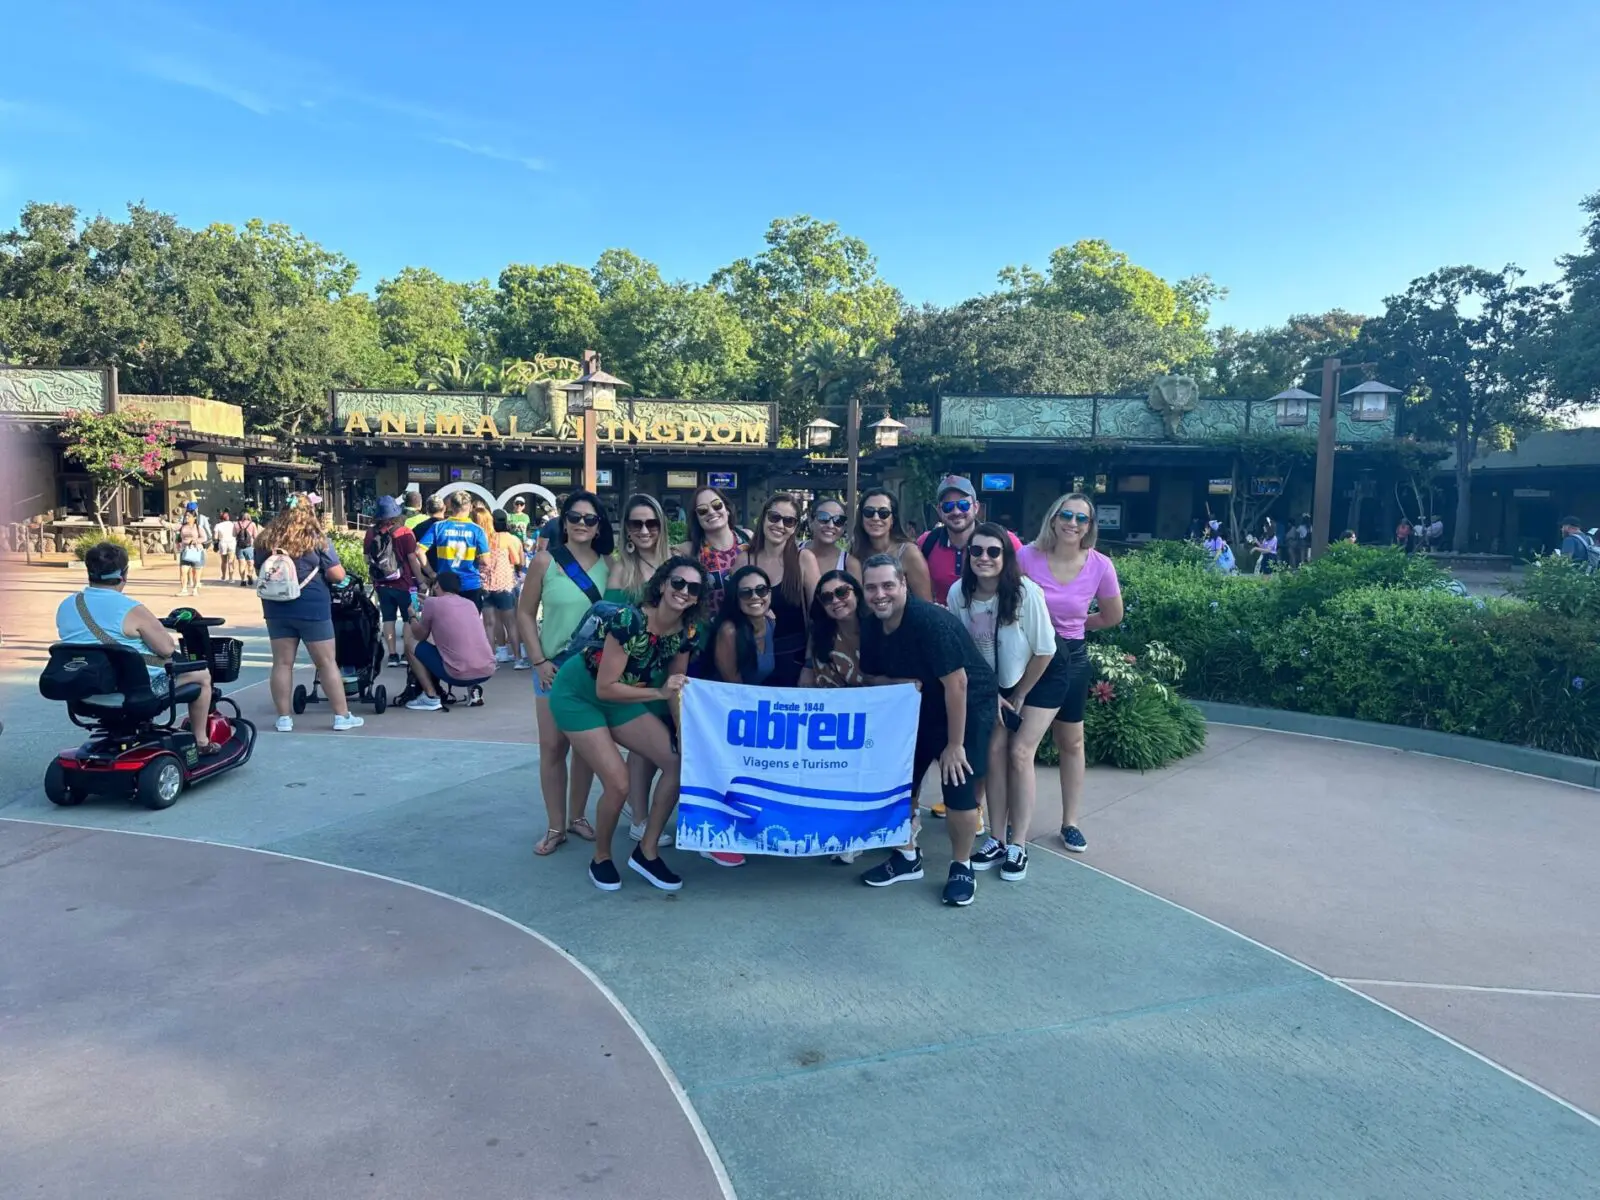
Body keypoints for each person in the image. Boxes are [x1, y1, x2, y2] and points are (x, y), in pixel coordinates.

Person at [549, 556, 709, 893]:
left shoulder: (687, 631)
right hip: (580, 695)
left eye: (693, 588)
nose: (684, 591)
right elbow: (604, 687)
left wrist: (681, 730)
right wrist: (658, 691)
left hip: (624, 697)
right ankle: (602, 856)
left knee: (678, 763)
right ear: (663, 584)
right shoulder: (630, 620)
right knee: (619, 784)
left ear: (698, 597)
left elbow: (675, 685)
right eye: (678, 583)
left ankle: (646, 851)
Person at [856, 554, 998, 906]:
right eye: (871, 587)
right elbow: (872, 676)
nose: (880, 594)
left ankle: (962, 866)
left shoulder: (929, 621)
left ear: (903, 584)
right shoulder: (872, 624)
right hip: (916, 710)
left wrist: (955, 743)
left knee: (958, 789)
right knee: (898, 784)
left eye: (888, 585)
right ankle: (906, 857)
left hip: (965, 706)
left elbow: (958, 684)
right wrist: (898, 681)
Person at [946, 523, 1062, 881]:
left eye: (993, 551)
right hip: (995, 684)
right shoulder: (958, 594)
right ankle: (996, 837)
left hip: (1040, 675)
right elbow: (959, 649)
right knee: (994, 752)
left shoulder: (1026, 593)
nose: (984, 558)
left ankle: (1019, 843)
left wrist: (1020, 695)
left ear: (1006, 557)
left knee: (1019, 752)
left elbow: (1045, 651)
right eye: (976, 551)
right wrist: (995, 694)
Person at [1018, 493, 1123, 854]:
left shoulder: (1100, 565)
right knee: (1016, 744)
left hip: (1073, 658)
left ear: (1090, 526)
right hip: (1029, 659)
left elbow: (1112, 617)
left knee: (1072, 742)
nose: (1073, 523)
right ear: (1053, 517)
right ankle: (1008, 827)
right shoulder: (1026, 557)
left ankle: (1070, 822)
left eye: (1082, 519)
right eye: (1066, 515)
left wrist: (1076, 625)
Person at [516, 491, 612, 857]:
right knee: (553, 748)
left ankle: (577, 816)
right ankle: (555, 825)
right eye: (575, 516)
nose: (582, 524)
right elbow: (524, 613)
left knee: (586, 750)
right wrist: (538, 661)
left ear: (599, 524)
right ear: (564, 520)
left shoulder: (611, 565)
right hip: (552, 668)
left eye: (590, 518)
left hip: (594, 671)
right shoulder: (545, 562)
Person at [56, 540, 218, 753]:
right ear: (124, 573)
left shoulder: (68, 605)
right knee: (202, 674)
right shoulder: (130, 609)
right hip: (134, 691)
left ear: (89, 571)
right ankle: (201, 741)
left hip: (85, 690)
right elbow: (167, 649)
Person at [257, 502, 365, 732]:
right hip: (312, 607)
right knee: (326, 662)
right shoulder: (316, 539)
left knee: (282, 663)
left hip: (275, 607)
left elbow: (258, 567)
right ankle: (341, 716)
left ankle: (283, 718)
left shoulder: (266, 538)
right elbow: (337, 574)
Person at [607, 493, 674, 846]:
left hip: (673, 666)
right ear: (627, 531)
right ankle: (640, 816)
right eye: (637, 524)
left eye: (651, 522)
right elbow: (613, 623)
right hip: (637, 671)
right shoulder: (622, 569)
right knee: (644, 746)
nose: (645, 530)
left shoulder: (678, 560)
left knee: (664, 742)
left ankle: (643, 811)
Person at [741, 492, 816, 687]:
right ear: (764, 517)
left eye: (788, 521)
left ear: (795, 527)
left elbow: (819, 616)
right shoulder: (744, 560)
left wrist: (809, 665)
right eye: (774, 517)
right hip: (752, 657)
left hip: (794, 659)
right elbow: (732, 613)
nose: (780, 525)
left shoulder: (804, 559)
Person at [918, 475, 1019, 606]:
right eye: (948, 507)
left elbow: (1026, 580)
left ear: (976, 507)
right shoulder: (926, 542)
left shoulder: (1003, 540)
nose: (956, 511)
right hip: (943, 621)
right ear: (939, 510)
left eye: (963, 505)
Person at [403, 570, 497, 711]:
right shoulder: (469, 604)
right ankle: (474, 691)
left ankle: (430, 696)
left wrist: (412, 617)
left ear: (437, 586)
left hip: (457, 675)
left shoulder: (433, 604)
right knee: (466, 641)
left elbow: (419, 635)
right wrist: (428, 601)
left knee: (410, 645)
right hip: (487, 670)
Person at [364, 496, 424, 667]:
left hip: (382, 584)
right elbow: (412, 559)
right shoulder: (405, 532)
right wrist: (421, 581)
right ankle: (406, 654)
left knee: (388, 618)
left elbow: (367, 559)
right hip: (405, 583)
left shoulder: (371, 532)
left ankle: (391, 655)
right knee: (408, 617)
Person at [847, 489, 932, 603]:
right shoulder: (855, 552)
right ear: (861, 518)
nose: (876, 518)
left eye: (883, 513)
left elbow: (926, 605)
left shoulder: (909, 554)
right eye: (869, 512)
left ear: (893, 519)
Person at [684, 486, 751, 614]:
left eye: (716, 505)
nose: (711, 512)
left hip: (750, 625)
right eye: (702, 510)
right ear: (697, 518)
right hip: (711, 630)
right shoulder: (689, 550)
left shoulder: (748, 538)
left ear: (727, 509)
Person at [419, 491, 491, 610]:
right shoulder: (477, 530)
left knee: (444, 622)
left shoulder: (438, 527)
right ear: (470, 507)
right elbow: (486, 561)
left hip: (445, 584)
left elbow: (419, 551)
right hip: (470, 584)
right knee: (469, 623)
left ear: (451, 506)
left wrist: (431, 573)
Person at [801, 569, 865, 690]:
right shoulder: (822, 639)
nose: (835, 601)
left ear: (856, 593)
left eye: (842, 592)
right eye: (827, 597)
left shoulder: (879, 628)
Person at [481, 509, 526, 667]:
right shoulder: (512, 539)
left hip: (486, 585)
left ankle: (492, 658)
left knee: (489, 624)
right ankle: (518, 659)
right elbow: (519, 561)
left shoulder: (486, 538)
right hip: (505, 584)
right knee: (511, 623)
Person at [801, 497, 850, 578]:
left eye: (838, 520)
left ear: (843, 527)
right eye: (823, 517)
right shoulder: (793, 551)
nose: (830, 525)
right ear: (810, 521)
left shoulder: (850, 564)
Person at [176, 508, 207, 597]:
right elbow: (172, 526)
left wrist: (196, 541)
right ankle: (184, 589)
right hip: (185, 551)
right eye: (186, 516)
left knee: (196, 572)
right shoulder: (182, 526)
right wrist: (162, 522)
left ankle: (195, 589)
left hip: (196, 551)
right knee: (183, 571)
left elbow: (204, 538)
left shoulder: (198, 527)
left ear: (194, 517)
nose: (186, 517)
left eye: (189, 516)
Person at [414, 495, 446, 569]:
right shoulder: (450, 526)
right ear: (444, 508)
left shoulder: (418, 528)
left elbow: (414, 553)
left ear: (427, 509)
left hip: (426, 572)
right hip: (448, 572)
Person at [234, 511, 259, 586]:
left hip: (239, 546)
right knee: (250, 563)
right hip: (249, 546)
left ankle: (243, 580)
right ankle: (250, 574)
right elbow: (255, 536)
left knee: (241, 564)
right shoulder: (252, 524)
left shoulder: (236, 524)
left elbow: (233, 534)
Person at [213, 509, 236, 582]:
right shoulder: (233, 524)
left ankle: (223, 576)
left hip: (222, 543)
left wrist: (215, 545)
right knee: (231, 561)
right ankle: (231, 578)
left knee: (223, 561)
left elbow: (215, 537)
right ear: (228, 517)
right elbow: (235, 534)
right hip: (232, 543)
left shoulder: (218, 525)